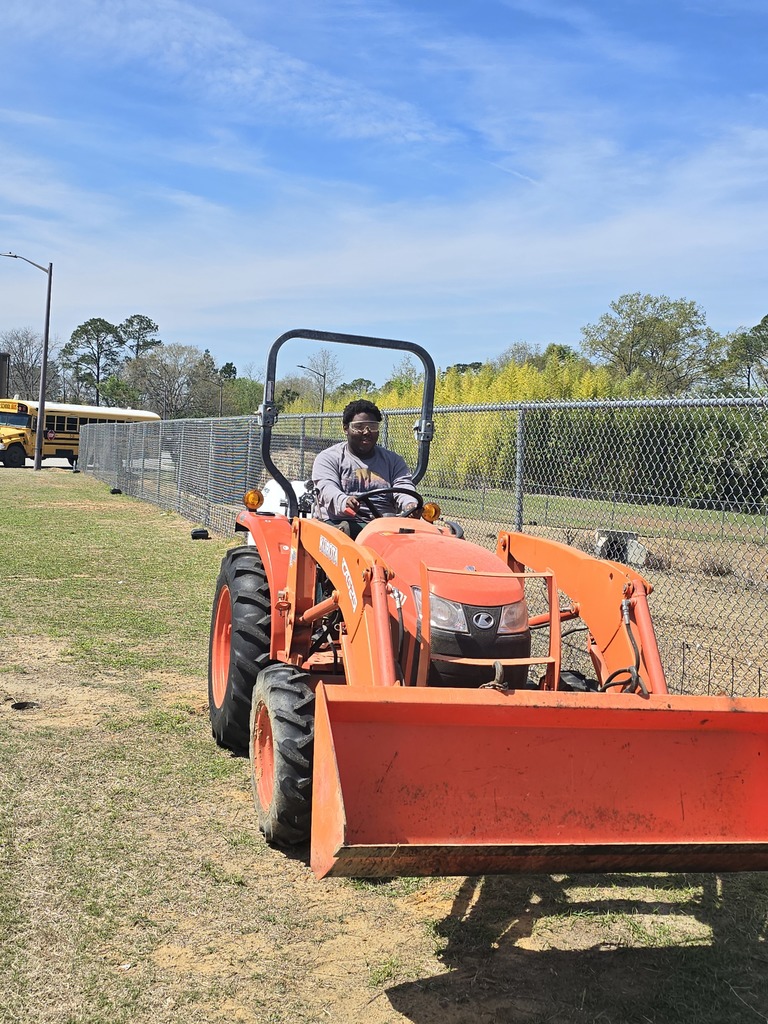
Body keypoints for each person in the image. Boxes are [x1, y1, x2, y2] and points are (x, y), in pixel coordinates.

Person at [311, 399, 419, 536]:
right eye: (359, 426)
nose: (367, 432)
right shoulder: (328, 458)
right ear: (345, 428)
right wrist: (344, 501)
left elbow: (403, 486)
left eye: (372, 426)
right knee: (347, 532)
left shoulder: (393, 460)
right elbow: (327, 489)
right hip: (340, 523)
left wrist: (410, 504)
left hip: (384, 525)